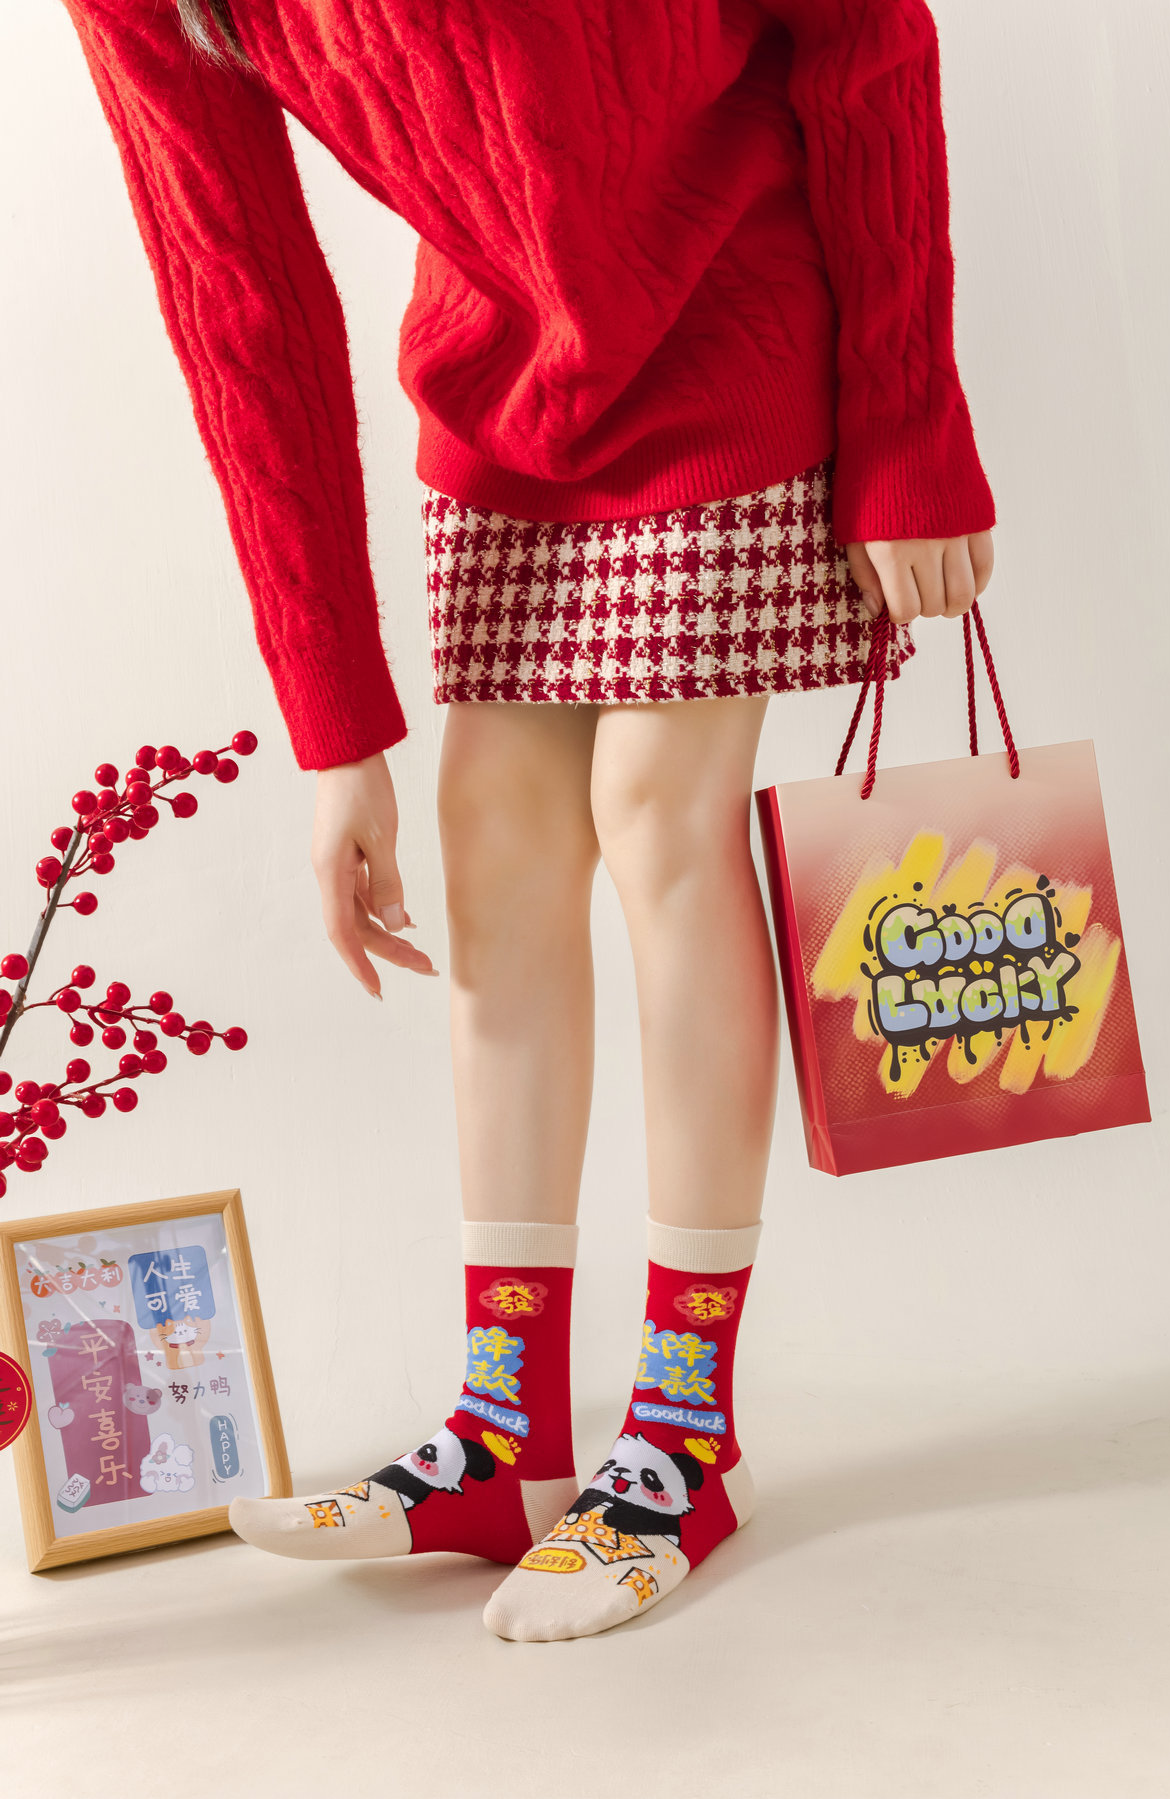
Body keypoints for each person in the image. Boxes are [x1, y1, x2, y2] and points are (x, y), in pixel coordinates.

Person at [57, 0, 995, 1639]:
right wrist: (337, 729)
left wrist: (910, 425)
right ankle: (504, 1435)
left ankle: (685, 1440)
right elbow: (237, 296)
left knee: (656, 812)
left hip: (737, 315)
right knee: (490, 843)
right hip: (502, 383)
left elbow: (865, 39)